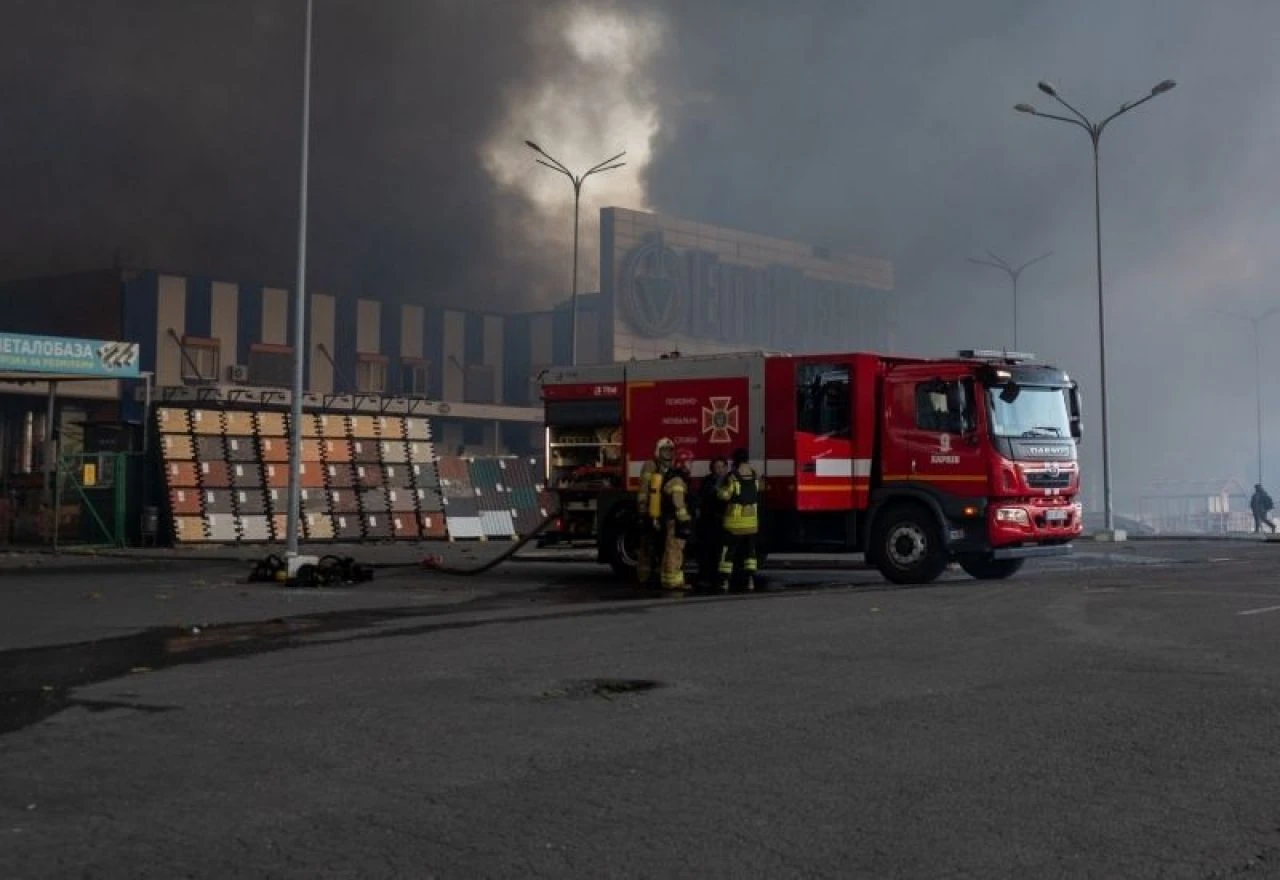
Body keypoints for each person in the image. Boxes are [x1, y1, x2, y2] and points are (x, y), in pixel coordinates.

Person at [717, 447, 761, 592]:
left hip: (734, 523)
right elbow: (758, 490)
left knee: (728, 551)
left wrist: (719, 489)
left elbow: (725, 496)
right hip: (751, 522)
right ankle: (750, 580)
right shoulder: (755, 474)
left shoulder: (733, 476)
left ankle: (725, 581)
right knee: (750, 553)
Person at [635, 437, 674, 586]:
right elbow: (644, 488)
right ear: (658, 451)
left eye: (670, 450)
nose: (668, 453)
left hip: (664, 511)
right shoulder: (650, 465)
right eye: (665, 450)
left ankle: (659, 574)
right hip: (651, 511)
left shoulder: (670, 467)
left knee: (662, 545)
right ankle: (644, 577)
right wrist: (643, 508)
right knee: (647, 545)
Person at [659, 447, 695, 592]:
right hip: (676, 522)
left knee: (675, 551)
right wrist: (685, 520)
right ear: (683, 463)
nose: (690, 465)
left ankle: (675, 580)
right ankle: (671, 582)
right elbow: (678, 503)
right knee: (674, 551)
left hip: (672, 520)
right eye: (689, 462)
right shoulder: (678, 481)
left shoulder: (674, 477)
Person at [696, 457, 729, 590]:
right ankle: (706, 577)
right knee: (707, 551)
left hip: (723, 520)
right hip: (709, 521)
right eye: (717, 467)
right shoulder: (707, 481)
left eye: (722, 467)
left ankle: (718, 577)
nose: (719, 470)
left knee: (720, 552)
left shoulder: (729, 481)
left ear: (726, 468)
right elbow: (703, 498)